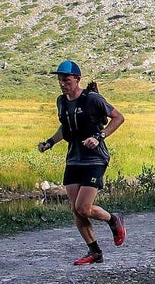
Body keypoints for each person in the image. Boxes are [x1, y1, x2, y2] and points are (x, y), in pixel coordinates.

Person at [37, 60, 125, 266]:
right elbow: (65, 129)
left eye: (66, 80)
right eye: (60, 80)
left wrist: (99, 136)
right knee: (76, 209)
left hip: (95, 159)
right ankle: (95, 252)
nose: (62, 84)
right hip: (74, 159)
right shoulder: (61, 101)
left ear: (77, 79)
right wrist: (49, 142)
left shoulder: (92, 99)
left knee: (84, 207)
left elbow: (118, 118)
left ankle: (114, 219)